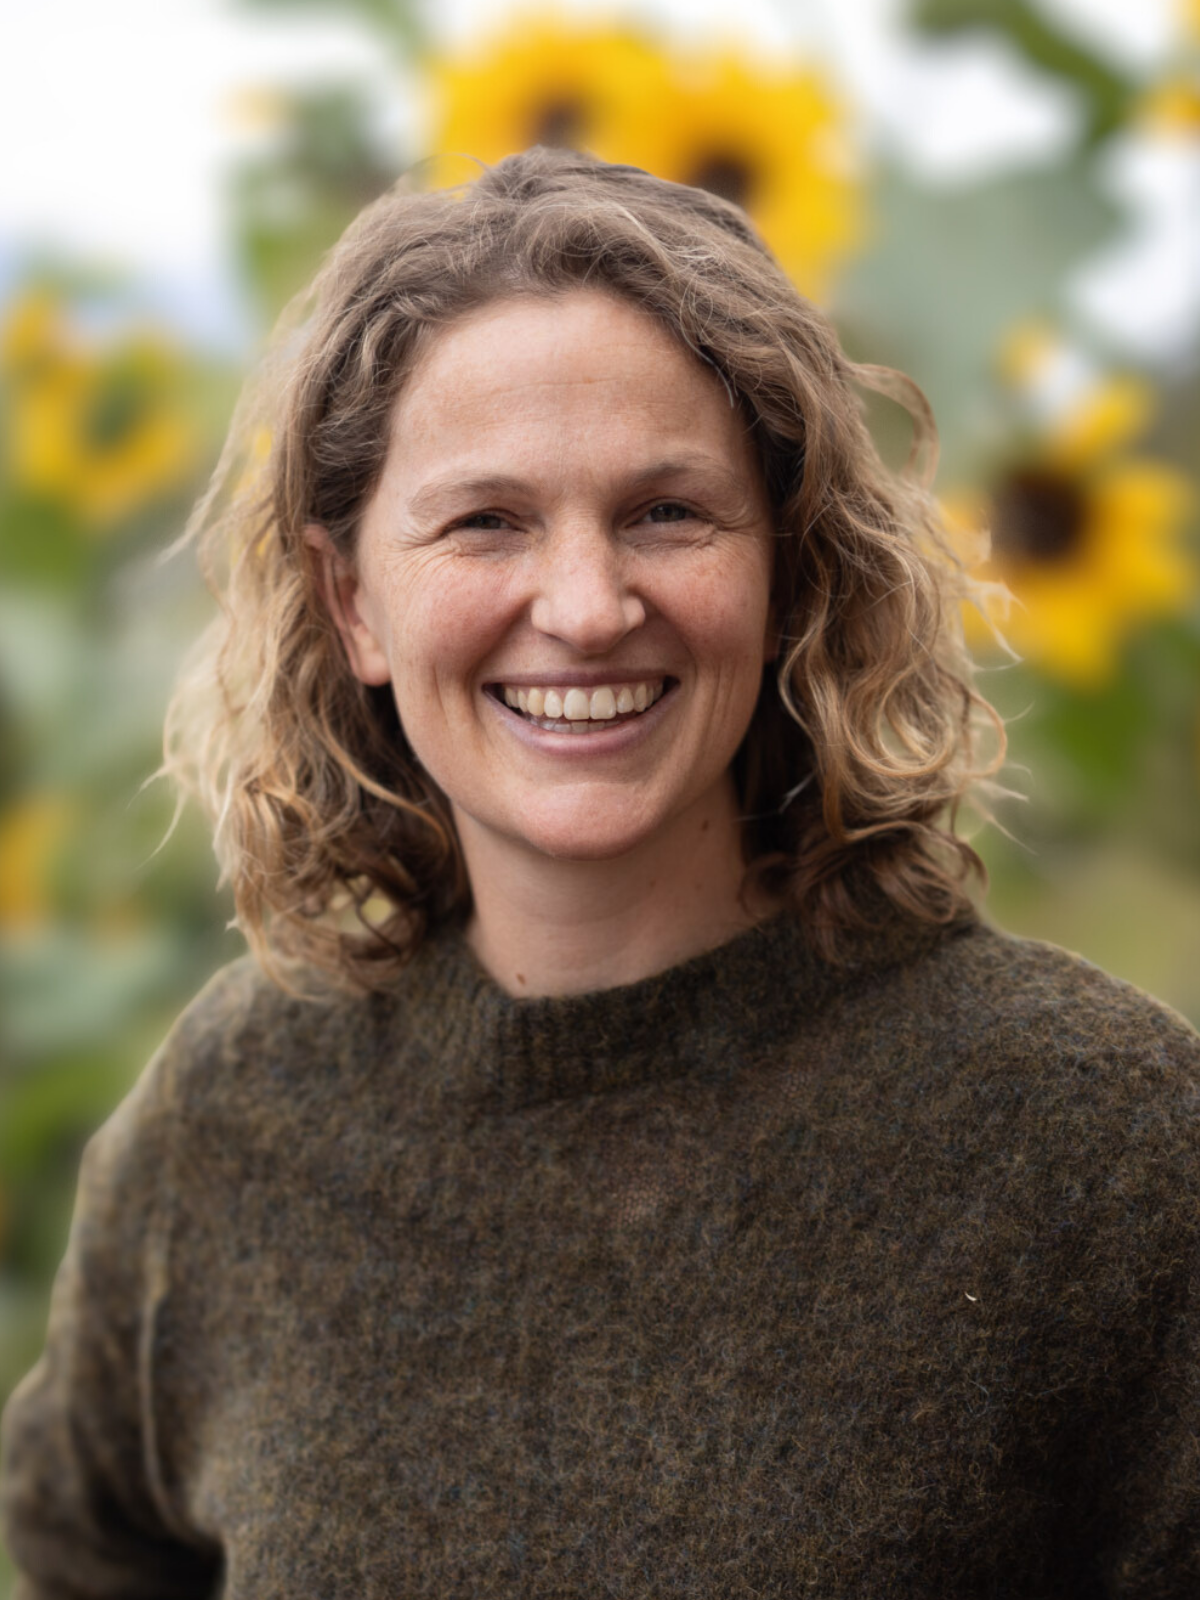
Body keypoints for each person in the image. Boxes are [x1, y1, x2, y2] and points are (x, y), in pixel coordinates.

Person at [2, 146, 1198, 1597]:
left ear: (788, 570)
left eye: (666, 512)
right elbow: (84, 1548)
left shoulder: (1104, 1146)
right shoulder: (233, 1118)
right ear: (351, 601)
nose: (583, 606)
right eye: (486, 520)